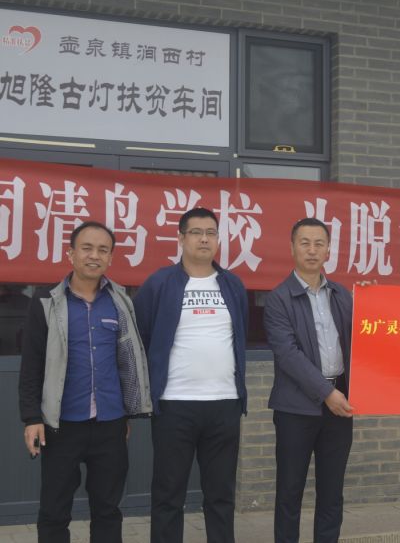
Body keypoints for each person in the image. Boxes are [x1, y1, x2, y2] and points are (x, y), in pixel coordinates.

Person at [19, 221, 151, 543]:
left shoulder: (120, 301)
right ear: (71, 254)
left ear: (111, 258)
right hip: (61, 425)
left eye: (103, 250)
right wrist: (32, 418)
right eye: (87, 248)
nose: (95, 256)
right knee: (54, 511)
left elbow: (127, 360)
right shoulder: (47, 302)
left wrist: (127, 412)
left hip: (110, 424)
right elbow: (32, 364)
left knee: (108, 510)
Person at [133, 207, 249, 543]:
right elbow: (142, 336)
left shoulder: (232, 284)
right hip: (174, 404)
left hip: (224, 403)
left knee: (221, 495)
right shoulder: (160, 283)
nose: (204, 239)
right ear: (181, 238)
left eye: (211, 233)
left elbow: (239, 333)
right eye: (196, 232)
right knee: (168, 494)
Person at [263, 217, 355, 543]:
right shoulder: (278, 299)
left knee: (332, 492)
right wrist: (327, 393)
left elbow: (366, 337)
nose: (312, 250)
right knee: (290, 492)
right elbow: (288, 355)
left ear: (329, 250)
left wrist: (373, 300)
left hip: (340, 406)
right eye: (305, 243)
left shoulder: (342, 295)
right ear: (292, 248)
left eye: (319, 244)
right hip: (295, 409)